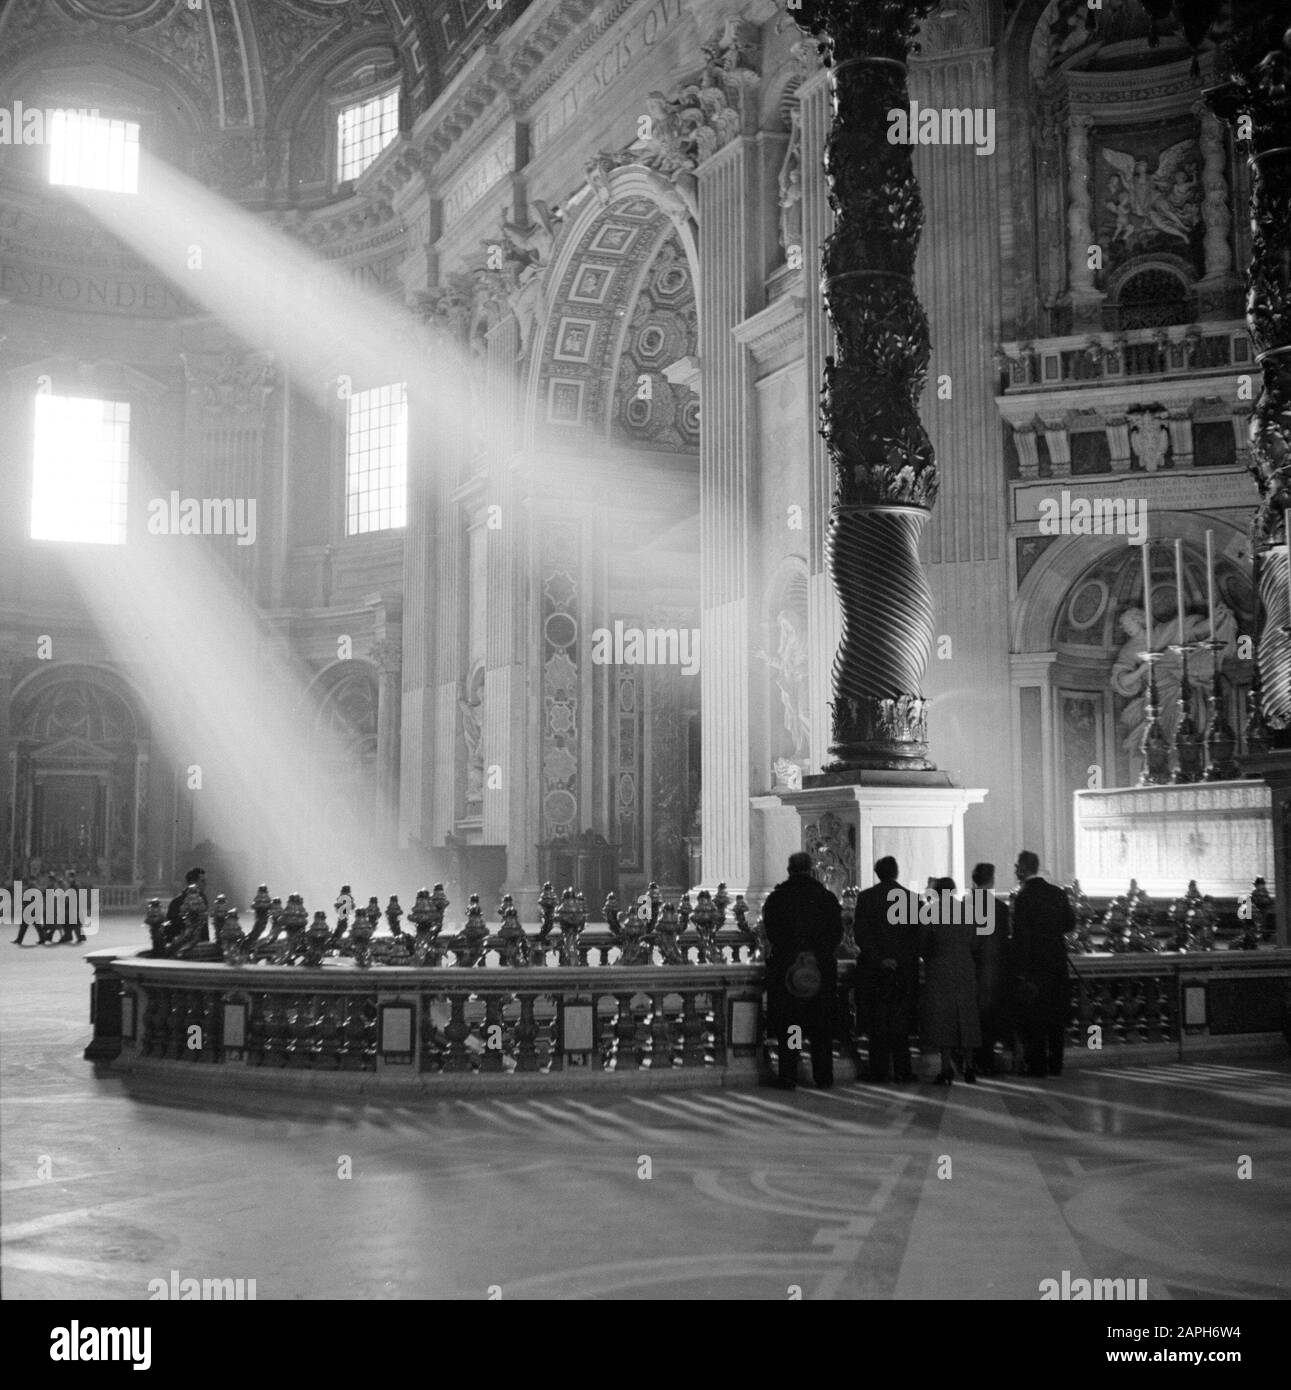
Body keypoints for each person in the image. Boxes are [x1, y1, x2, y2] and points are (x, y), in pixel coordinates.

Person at [761, 851, 843, 1089]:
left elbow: (772, 933)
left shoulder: (777, 898)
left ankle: (790, 1073)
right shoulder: (826, 898)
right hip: (821, 969)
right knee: (821, 1026)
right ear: (811, 870)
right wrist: (816, 954)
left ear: (789, 870)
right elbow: (836, 934)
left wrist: (795, 953)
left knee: (793, 1025)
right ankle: (823, 1075)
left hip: (788, 968)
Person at [855, 857, 921, 1083]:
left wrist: (880, 959)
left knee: (878, 1023)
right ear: (897, 872)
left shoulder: (866, 898)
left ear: (877, 873)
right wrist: (899, 960)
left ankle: (879, 1071)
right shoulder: (912, 899)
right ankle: (903, 1069)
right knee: (901, 1024)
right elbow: (917, 937)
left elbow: (862, 935)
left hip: (875, 971)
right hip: (903, 971)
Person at [1010, 850, 1073, 1078]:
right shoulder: (1057, 893)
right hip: (1056, 962)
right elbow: (1069, 924)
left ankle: (1037, 1066)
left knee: (1035, 1018)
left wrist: (1020, 971)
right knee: (1056, 1018)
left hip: (1034, 966)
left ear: (1025, 868)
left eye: (1018, 865)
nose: (1015, 869)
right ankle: (1056, 1065)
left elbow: (1020, 937)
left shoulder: (1023, 897)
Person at [919, 877, 981, 1085]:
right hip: (964, 966)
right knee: (967, 1015)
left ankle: (946, 1068)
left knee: (944, 1018)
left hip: (940, 968)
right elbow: (974, 940)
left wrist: (931, 958)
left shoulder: (930, 911)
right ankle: (970, 1066)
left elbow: (923, 943)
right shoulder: (968, 910)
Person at [968, 863, 1011, 1075]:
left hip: (971, 971)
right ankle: (988, 1061)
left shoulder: (964, 907)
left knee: (973, 1018)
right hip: (995, 971)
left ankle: (975, 1060)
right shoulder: (1002, 909)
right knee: (992, 1019)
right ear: (992, 880)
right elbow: (1006, 943)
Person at [164, 867, 209, 948]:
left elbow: (204, 925)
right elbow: (171, 928)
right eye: (202, 881)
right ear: (192, 883)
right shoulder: (177, 902)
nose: (205, 884)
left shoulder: (203, 898)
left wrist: (206, 942)